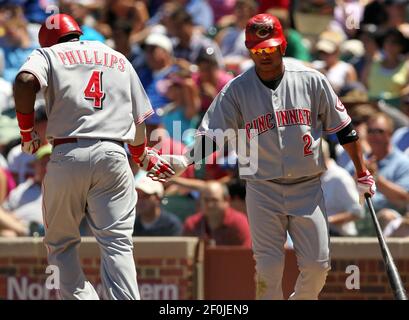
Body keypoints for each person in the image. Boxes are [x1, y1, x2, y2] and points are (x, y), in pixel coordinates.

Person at [158, 13, 376, 300]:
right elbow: (212, 135)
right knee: (269, 268)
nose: (265, 55)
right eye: (258, 50)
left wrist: (361, 172)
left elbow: (345, 129)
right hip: (263, 188)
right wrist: (185, 160)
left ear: (283, 46)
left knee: (318, 266)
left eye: (270, 48)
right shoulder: (237, 89)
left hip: (307, 185)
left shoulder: (311, 79)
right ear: (249, 51)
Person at [13, 14, 174, 300]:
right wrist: (141, 156)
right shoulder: (117, 58)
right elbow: (138, 120)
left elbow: (25, 81)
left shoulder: (49, 54)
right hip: (114, 154)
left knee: (61, 244)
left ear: (48, 39)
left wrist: (27, 132)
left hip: (67, 152)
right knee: (117, 244)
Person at [1, 144, 52, 237]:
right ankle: (28, 232)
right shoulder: (22, 189)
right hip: (20, 229)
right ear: (35, 166)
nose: (46, 168)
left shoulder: (63, 189)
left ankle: (29, 232)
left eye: (50, 163)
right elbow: (4, 211)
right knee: (8, 234)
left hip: (48, 232)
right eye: (43, 163)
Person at [183, 181, 251, 248]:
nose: (210, 205)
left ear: (226, 200)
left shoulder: (239, 222)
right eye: (206, 200)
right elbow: (184, 256)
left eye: (214, 200)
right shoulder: (191, 223)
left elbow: (246, 254)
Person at [321, 140, 363, 237]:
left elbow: (357, 211)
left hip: (341, 237)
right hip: (319, 235)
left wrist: (327, 221)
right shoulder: (311, 178)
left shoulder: (340, 177)